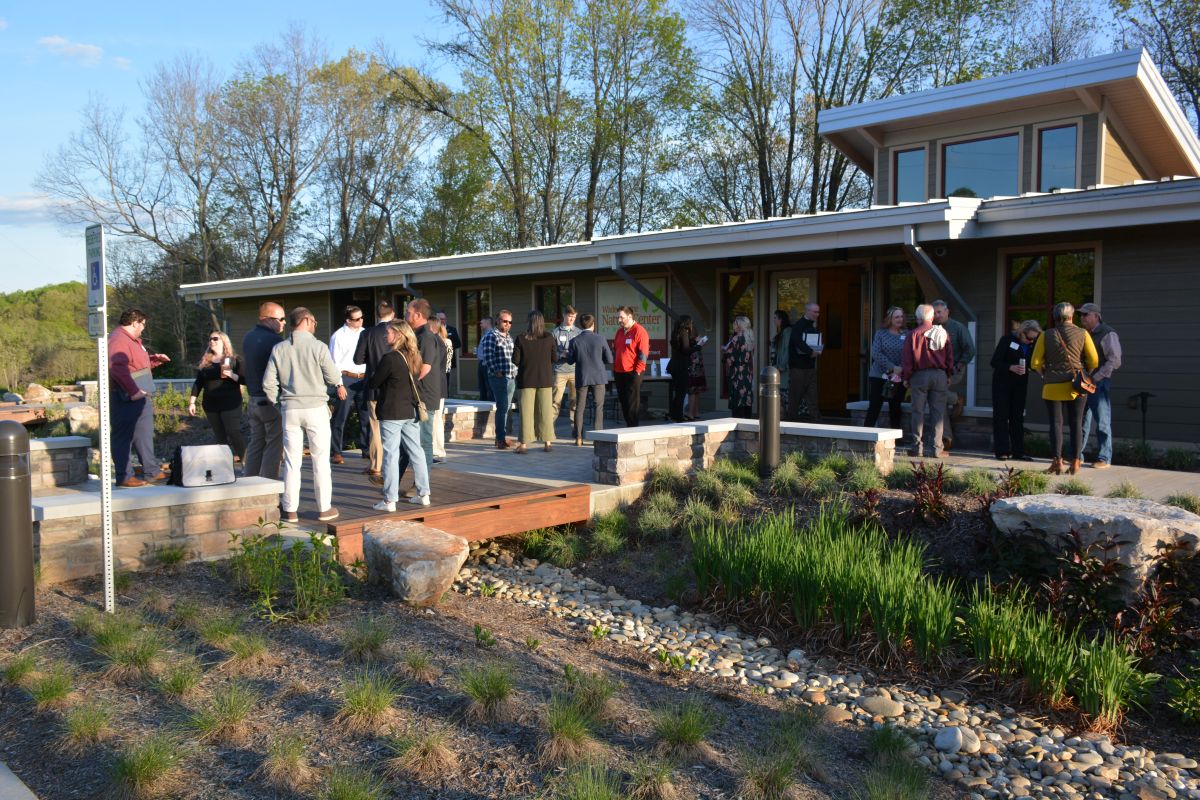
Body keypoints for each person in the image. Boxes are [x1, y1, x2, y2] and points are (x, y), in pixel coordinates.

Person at [263, 307, 346, 522]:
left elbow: (268, 383)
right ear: (307, 320)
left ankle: (290, 509)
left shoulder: (279, 348)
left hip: (290, 408)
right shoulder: (318, 347)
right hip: (316, 408)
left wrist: (277, 403)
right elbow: (333, 376)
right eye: (315, 322)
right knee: (320, 461)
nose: (315, 325)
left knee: (292, 462)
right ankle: (324, 508)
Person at [369, 320, 431, 510]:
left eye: (388, 332)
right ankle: (424, 494)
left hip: (392, 412)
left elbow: (374, 382)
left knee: (391, 455)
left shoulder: (390, 358)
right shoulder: (415, 356)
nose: (384, 335)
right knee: (416, 452)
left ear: (398, 335)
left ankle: (390, 500)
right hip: (411, 410)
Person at [1031, 302, 1099, 475]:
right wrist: (1085, 374)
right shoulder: (1083, 333)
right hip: (1076, 387)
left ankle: (1057, 462)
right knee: (1077, 423)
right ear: (1071, 316)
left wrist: (1044, 375)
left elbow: (1035, 362)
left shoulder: (1046, 335)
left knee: (1056, 424)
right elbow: (1094, 360)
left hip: (1052, 386)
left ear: (1055, 316)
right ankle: (1076, 462)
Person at [108, 308, 170, 487]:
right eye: (143, 324)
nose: (143, 328)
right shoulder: (118, 339)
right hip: (126, 397)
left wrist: (154, 360)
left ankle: (151, 471)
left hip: (139, 395)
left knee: (144, 434)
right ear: (135, 322)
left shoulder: (131, 341)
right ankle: (124, 476)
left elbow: (134, 364)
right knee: (123, 437)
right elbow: (117, 367)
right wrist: (133, 391)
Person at [396, 298, 445, 479]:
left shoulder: (426, 337)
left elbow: (425, 367)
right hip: (415, 396)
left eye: (408, 312)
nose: (405, 314)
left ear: (417, 315)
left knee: (423, 441)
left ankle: (422, 484)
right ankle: (393, 479)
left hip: (424, 397)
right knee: (406, 441)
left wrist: (404, 382)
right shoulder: (417, 335)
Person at [901, 304, 955, 458]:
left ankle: (917, 447)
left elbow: (907, 359)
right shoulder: (942, 332)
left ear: (918, 317)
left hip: (919, 375)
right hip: (939, 375)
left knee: (917, 412)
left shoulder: (913, 334)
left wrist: (906, 377)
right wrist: (948, 374)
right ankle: (937, 448)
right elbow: (949, 356)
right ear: (932, 317)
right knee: (938, 412)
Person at [242, 301, 286, 480]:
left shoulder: (248, 337)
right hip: (269, 401)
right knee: (274, 446)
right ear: (268, 319)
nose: (284, 322)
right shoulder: (275, 342)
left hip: (253, 399)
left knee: (256, 443)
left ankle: (249, 482)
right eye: (281, 319)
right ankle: (269, 485)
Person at [354, 300, 396, 484]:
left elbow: (358, 359)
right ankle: (393, 465)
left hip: (374, 385)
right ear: (392, 314)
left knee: (376, 426)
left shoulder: (368, 333)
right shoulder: (399, 331)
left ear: (377, 315)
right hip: (394, 385)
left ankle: (376, 465)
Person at [187, 330, 246, 462]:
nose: (211, 341)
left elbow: (245, 380)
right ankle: (226, 465)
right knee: (220, 436)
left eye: (215, 339)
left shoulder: (235, 359)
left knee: (233, 432)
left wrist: (232, 375)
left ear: (224, 342)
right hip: (211, 404)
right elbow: (198, 383)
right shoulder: (206, 361)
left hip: (231, 403)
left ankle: (246, 462)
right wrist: (192, 402)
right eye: (210, 339)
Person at [990, 319, 1041, 461]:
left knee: (1017, 418)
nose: (1031, 341)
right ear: (1022, 332)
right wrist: (1010, 367)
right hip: (1002, 384)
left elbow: (1032, 363)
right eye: (1029, 338)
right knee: (1001, 417)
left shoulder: (1031, 345)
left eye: (1034, 339)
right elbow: (994, 362)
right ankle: (1002, 451)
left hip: (1020, 385)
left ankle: (1019, 451)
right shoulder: (1007, 340)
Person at [1079, 303, 1122, 469]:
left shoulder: (1107, 333)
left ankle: (1105, 458)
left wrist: (1096, 378)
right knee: (1082, 420)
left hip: (1099, 382)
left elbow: (1115, 361)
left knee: (1102, 421)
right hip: (1084, 382)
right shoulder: (1084, 333)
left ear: (1096, 316)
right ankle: (1077, 456)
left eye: (1085, 314)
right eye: (1081, 315)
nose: (1082, 318)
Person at [511, 310, 557, 453]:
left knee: (526, 413)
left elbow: (515, 360)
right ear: (542, 322)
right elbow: (554, 358)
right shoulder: (549, 338)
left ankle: (524, 445)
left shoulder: (520, 338)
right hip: (545, 379)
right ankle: (547, 443)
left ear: (529, 322)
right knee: (545, 412)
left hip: (526, 379)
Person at [328, 305, 368, 466]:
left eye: (361, 317)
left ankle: (366, 449)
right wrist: (339, 385)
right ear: (348, 320)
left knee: (365, 416)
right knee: (341, 416)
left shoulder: (365, 332)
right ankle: (336, 452)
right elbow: (334, 362)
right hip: (346, 378)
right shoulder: (338, 336)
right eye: (356, 319)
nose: (360, 321)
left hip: (363, 378)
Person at [933, 300, 975, 451]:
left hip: (955, 369)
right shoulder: (932, 328)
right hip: (937, 370)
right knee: (939, 398)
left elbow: (970, 350)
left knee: (938, 394)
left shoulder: (958, 328)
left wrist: (959, 365)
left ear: (947, 311)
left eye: (939, 312)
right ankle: (946, 437)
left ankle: (946, 437)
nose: (937, 315)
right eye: (935, 313)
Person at [567, 313, 613, 446]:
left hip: (582, 376)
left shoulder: (574, 341)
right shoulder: (600, 339)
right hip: (598, 377)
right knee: (598, 407)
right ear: (593, 324)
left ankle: (579, 437)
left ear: (581, 325)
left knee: (580, 408)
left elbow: (570, 361)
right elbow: (609, 359)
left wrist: (566, 354)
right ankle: (598, 438)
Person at [479, 310, 517, 448]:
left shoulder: (509, 337)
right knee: (502, 407)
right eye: (505, 321)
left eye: (510, 322)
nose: (508, 324)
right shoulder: (491, 336)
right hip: (498, 377)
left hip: (511, 377)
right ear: (497, 321)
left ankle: (501, 437)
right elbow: (488, 356)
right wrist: (497, 372)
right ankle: (500, 439)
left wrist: (515, 371)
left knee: (506, 408)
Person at [865, 307, 907, 430]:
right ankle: (865, 435)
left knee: (895, 407)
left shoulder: (907, 334)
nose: (900, 319)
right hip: (879, 375)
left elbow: (910, 354)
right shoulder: (881, 333)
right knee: (874, 406)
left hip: (898, 377)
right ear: (890, 319)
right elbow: (876, 353)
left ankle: (896, 437)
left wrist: (900, 368)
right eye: (896, 317)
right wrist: (893, 367)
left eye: (901, 316)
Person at [612, 306, 649, 427]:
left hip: (633, 371)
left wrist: (637, 371)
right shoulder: (619, 332)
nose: (619, 320)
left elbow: (643, 354)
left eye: (621, 317)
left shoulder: (639, 331)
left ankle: (633, 428)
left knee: (632, 403)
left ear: (630, 316)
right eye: (618, 317)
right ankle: (628, 426)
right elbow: (616, 350)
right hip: (619, 371)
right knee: (623, 401)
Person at [787, 303, 823, 422]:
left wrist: (818, 349)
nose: (817, 314)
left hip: (810, 367)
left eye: (818, 312)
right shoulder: (799, 325)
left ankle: (818, 425)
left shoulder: (812, 326)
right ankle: (791, 424)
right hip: (798, 368)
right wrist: (810, 351)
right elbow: (797, 341)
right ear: (807, 311)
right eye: (815, 312)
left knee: (813, 398)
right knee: (795, 397)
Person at [426, 316, 454, 462]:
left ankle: (436, 451)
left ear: (430, 327)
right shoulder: (440, 341)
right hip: (440, 385)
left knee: (434, 419)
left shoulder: (435, 342)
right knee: (436, 419)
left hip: (434, 386)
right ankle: (438, 450)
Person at [668, 316, 704, 423]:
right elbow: (686, 350)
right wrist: (698, 346)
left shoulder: (676, 332)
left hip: (674, 365)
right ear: (686, 323)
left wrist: (694, 342)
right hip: (681, 366)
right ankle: (678, 416)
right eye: (690, 322)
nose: (691, 324)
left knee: (678, 392)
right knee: (681, 392)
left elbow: (682, 347)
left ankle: (674, 414)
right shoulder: (684, 332)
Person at [551, 305, 582, 419]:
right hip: (559, 371)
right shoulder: (555, 332)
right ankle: (550, 428)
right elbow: (550, 352)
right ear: (564, 315)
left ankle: (575, 428)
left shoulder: (579, 332)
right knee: (555, 402)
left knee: (574, 402)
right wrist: (561, 354)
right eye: (570, 316)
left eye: (574, 317)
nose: (572, 319)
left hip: (575, 371)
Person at [723, 316, 755, 418]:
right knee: (746, 397)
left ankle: (738, 421)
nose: (733, 325)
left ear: (740, 326)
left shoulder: (735, 338)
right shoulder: (750, 338)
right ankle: (748, 420)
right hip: (747, 371)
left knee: (738, 397)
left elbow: (730, 358)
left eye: (735, 323)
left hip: (737, 372)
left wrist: (725, 352)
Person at [770, 310, 791, 412]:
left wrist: (782, 365)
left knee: (784, 394)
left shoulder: (787, 331)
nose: (774, 320)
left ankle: (785, 416)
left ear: (781, 319)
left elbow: (787, 349)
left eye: (775, 318)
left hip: (783, 369)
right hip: (778, 368)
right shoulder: (781, 332)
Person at [436, 310, 462, 375]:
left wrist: (447, 345)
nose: (442, 320)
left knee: (446, 378)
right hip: (436, 359)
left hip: (448, 359)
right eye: (440, 319)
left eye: (443, 319)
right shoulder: (433, 330)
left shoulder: (452, 329)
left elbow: (458, 344)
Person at [687, 342, 707, 422]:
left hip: (697, 371)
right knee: (694, 391)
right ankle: (692, 413)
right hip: (695, 371)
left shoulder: (696, 347)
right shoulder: (692, 345)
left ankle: (694, 413)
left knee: (696, 391)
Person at [476, 316, 494, 402]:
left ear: (487, 323)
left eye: (481, 323)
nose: (480, 325)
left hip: (486, 363)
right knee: (482, 385)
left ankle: (490, 404)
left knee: (488, 385)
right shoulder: (485, 334)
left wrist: (486, 362)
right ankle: (482, 404)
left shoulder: (491, 334)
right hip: (481, 362)